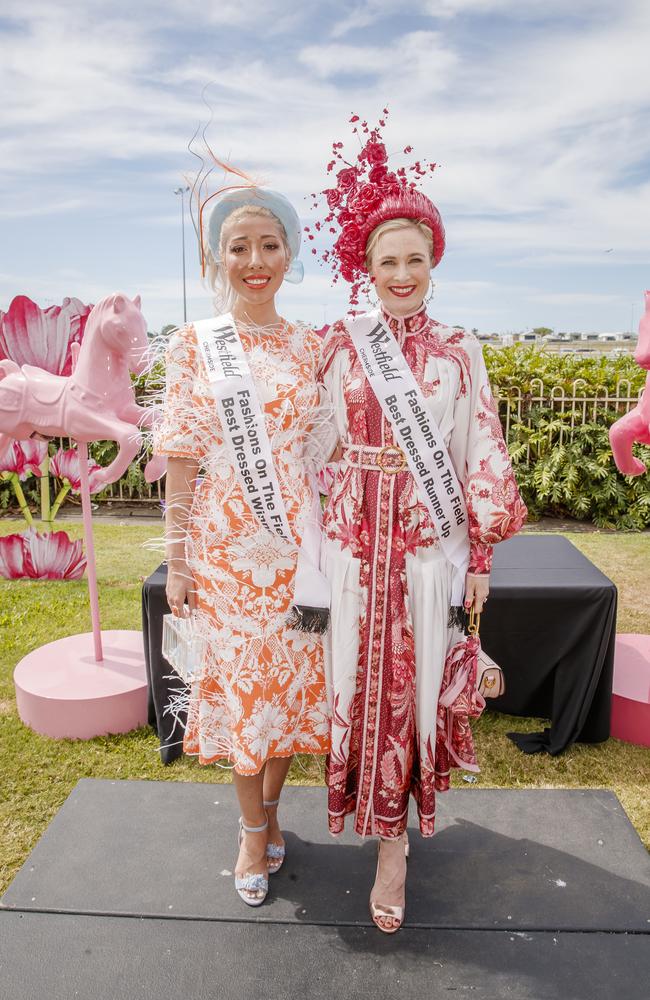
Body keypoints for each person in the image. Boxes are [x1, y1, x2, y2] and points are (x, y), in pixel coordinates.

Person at [316, 118, 527, 933]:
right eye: (385, 261)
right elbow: (313, 443)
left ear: (432, 262)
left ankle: (395, 849)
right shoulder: (342, 345)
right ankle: (369, 817)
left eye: (414, 258)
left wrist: (481, 557)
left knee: (416, 697)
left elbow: (480, 451)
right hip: (352, 558)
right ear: (364, 270)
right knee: (355, 694)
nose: (401, 274)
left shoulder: (459, 350)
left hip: (427, 554)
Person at [155, 178, 332, 907]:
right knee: (241, 694)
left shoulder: (312, 346)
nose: (255, 259)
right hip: (227, 551)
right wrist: (178, 558)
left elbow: (327, 450)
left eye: (269, 244)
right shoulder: (195, 345)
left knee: (283, 694)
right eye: (239, 247)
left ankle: (271, 813)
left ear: (289, 253)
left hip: (296, 549)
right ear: (215, 257)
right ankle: (251, 831)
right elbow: (182, 457)